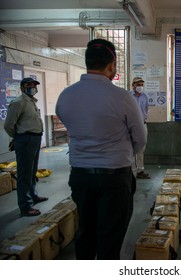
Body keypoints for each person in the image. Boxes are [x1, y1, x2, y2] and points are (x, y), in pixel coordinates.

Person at [56, 38, 146, 260]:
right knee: (110, 238)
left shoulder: (66, 95)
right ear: (112, 65)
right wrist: (123, 153)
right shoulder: (122, 97)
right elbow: (140, 137)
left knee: (85, 233)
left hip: (80, 176)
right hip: (114, 179)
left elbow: (70, 124)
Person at [4, 77, 48, 217]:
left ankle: (33, 195)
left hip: (34, 139)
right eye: (29, 85)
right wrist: (18, 138)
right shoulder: (18, 103)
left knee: (32, 171)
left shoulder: (31, 102)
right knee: (24, 174)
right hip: (25, 139)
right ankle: (25, 205)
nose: (33, 87)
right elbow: (8, 125)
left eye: (34, 85)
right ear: (22, 87)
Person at [130, 77, 150, 179]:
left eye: (142, 85)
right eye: (138, 85)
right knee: (132, 149)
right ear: (133, 85)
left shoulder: (145, 96)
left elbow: (146, 109)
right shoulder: (128, 96)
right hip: (131, 126)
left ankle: (140, 170)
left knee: (141, 149)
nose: (140, 87)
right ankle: (132, 172)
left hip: (143, 125)